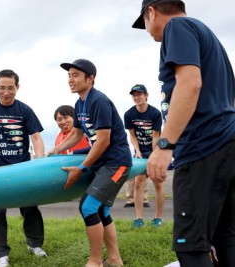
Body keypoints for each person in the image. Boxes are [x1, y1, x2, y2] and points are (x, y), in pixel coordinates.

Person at [133, 1, 235, 266]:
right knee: (226, 239)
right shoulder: (207, 34)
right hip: (226, 142)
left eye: (143, 22)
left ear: (151, 12)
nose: (147, 30)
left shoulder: (177, 27)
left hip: (203, 147)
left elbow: (190, 84)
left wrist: (165, 145)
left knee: (190, 245)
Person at [48, 59, 132, 267]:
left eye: (75, 75)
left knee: (88, 207)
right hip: (104, 163)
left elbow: (103, 140)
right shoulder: (79, 104)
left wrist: (82, 168)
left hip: (116, 163)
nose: (70, 80)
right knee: (101, 210)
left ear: (90, 78)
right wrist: (54, 151)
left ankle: (95, 261)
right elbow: (77, 135)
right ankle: (114, 259)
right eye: (69, 75)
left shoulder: (99, 101)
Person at [0, 69, 47, 267]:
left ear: (17, 88)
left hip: (23, 169)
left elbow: (36, 137)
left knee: (30, 206)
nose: (6, 92)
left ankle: (34, 244)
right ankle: (1, 253)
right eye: (2, 88)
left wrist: (39, 163)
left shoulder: (25, 110)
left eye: (10, 88)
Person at [124, 84, 163, 228]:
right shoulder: (129, 114)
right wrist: (137, 151)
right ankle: (139, 219)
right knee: (139, 183)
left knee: (157, 183)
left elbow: (156, 136)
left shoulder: (155, 113)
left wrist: (153, 156)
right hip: (139, 151)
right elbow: (132, 135)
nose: (137, 97)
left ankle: (158, 218)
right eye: (134, 95)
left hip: (154, 149)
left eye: (139, 94)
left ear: (146, 95)